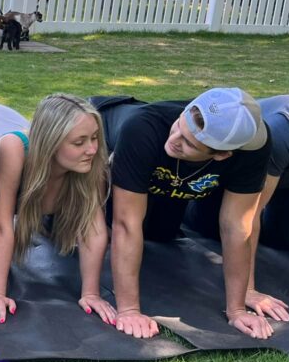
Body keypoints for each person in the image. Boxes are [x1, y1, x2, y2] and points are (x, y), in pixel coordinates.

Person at [92, 88, 273, 340]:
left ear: (222, 154)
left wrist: (237, 309)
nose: (175, 138)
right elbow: (126, 223)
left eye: (188, 142)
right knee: (83, 228)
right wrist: (129, 310)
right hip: (107, 138)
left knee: (160, 234)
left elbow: (237, 226)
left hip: (169, 176)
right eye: (179, 125)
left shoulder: (253, 147)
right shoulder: (144, 130)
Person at [186, 96, 289, 321]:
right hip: (231, 176)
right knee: (208, 227)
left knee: (282, 239)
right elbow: (246, 215)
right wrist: (247, 291)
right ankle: (188, 201)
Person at [0, 94, 115, 324]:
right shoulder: (14, 149)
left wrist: (91, 293)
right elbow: (0, 224)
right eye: (79, 142)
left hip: (41, 191)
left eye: (94, 138)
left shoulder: (90, 162)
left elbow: (94, 228)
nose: (92, 149)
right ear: (51, 142)